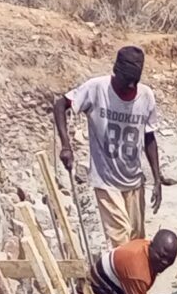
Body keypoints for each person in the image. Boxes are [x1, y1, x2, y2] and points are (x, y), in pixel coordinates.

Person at [54, 45, 169, 245]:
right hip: (106, 180)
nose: (131, 87)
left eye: (135, 82)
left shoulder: (146, 96)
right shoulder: (97, 88)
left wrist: (157, 179)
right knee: (121, 239)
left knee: (136, 241)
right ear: (116, 71)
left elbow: (149, 137)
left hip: (133, 181)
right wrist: (66, 145)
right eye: (127, 81)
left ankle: (126, 276)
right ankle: (120, 276)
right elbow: (60, 105)